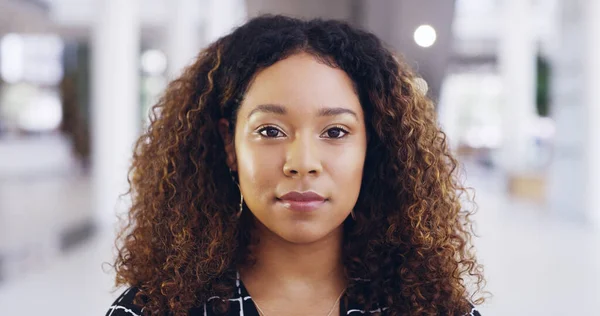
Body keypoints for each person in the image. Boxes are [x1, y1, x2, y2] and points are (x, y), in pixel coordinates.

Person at [106, 14, 485, 316]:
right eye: (270, 130)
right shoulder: (150, 312)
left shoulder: (434, 311)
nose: (302, 164)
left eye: (335, 132)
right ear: (229, 144)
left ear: (374, 146)